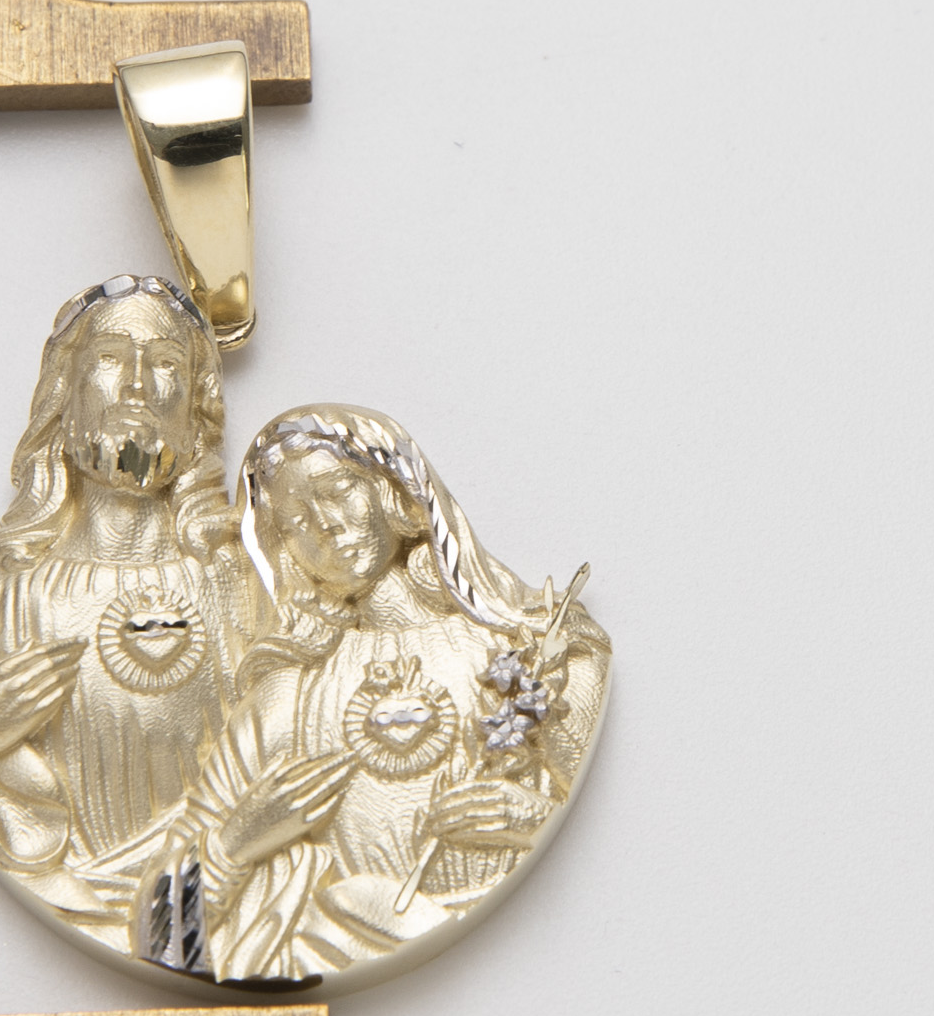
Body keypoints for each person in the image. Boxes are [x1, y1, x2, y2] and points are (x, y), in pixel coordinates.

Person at [174, 404, 612, 983]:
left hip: (535, 961)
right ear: (283, 549)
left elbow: (582, 794)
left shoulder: (528, 652)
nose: (325, 524)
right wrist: (236, 842)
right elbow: (165, 927)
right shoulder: (290, 694)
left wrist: (528, 815)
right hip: (335, 941)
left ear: (394, 492)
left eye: (338, 490)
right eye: (296, 520)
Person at [0, 277, 254, 951]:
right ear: (63, 396)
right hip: (58, 914)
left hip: (224, 920)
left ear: (199, 408)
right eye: (110, 357)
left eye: (166, 363)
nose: (137, 385)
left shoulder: (252, 590)